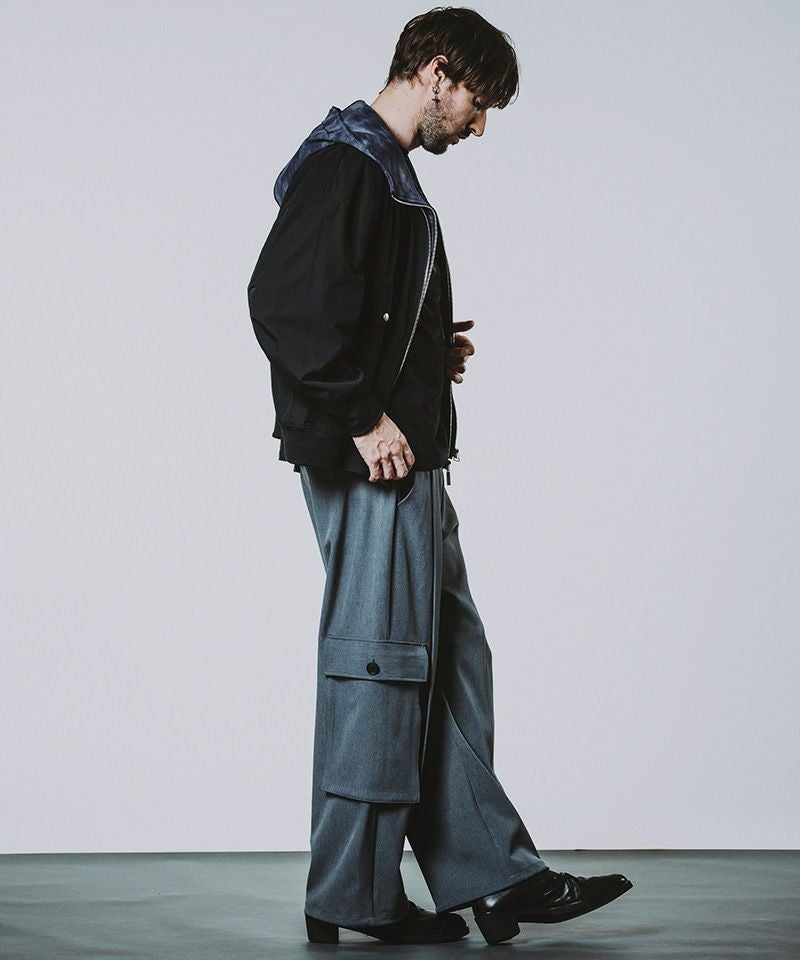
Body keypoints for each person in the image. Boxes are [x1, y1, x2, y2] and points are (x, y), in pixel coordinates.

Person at [247, 6, 633, 946]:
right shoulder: (350, 162)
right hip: (374, 462)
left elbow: (352, 308)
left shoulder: (384, 169)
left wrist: (424, 351)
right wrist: (362, 415)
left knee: (452, 659)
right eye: (477, 102)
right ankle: (356, 892)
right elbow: (285, 304)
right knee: (381, 670)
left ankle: (491, 879)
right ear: (435, 71)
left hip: (409, 461)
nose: (479, 125)